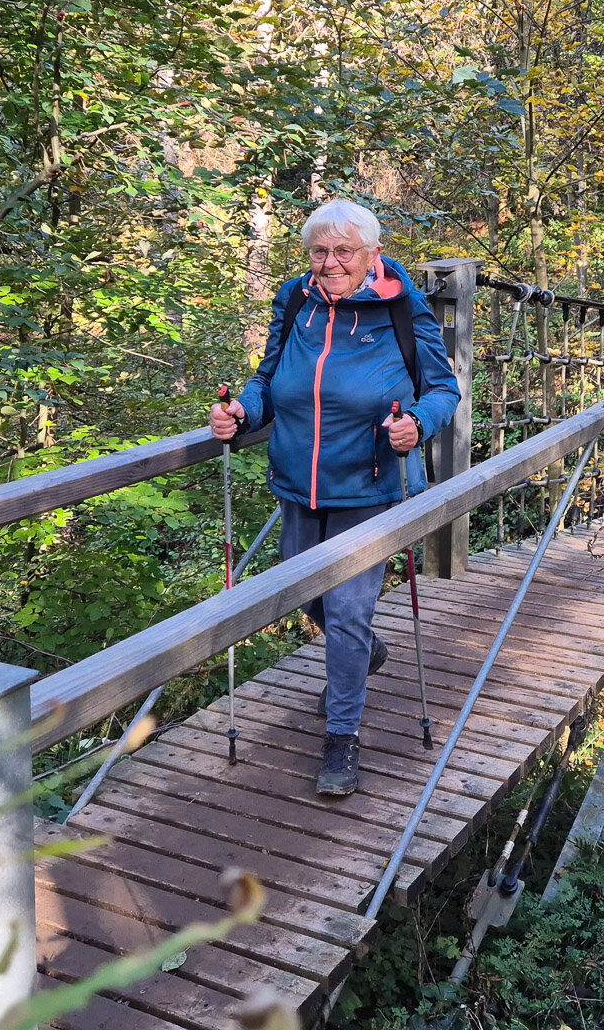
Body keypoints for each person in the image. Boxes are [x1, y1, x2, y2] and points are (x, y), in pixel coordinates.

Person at [210, 198, 461, 796]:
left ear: (371, 253)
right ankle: (366, 652)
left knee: (346, 611)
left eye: (344, 251)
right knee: (304, 595)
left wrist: (417, 425)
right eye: (320, 251)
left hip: (370, 486)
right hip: (299, 486)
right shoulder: (295, 301)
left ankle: (342, 737)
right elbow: (268, 380)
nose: (330, 263)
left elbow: (443, 389)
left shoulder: (401, 306)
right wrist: (243, 413)